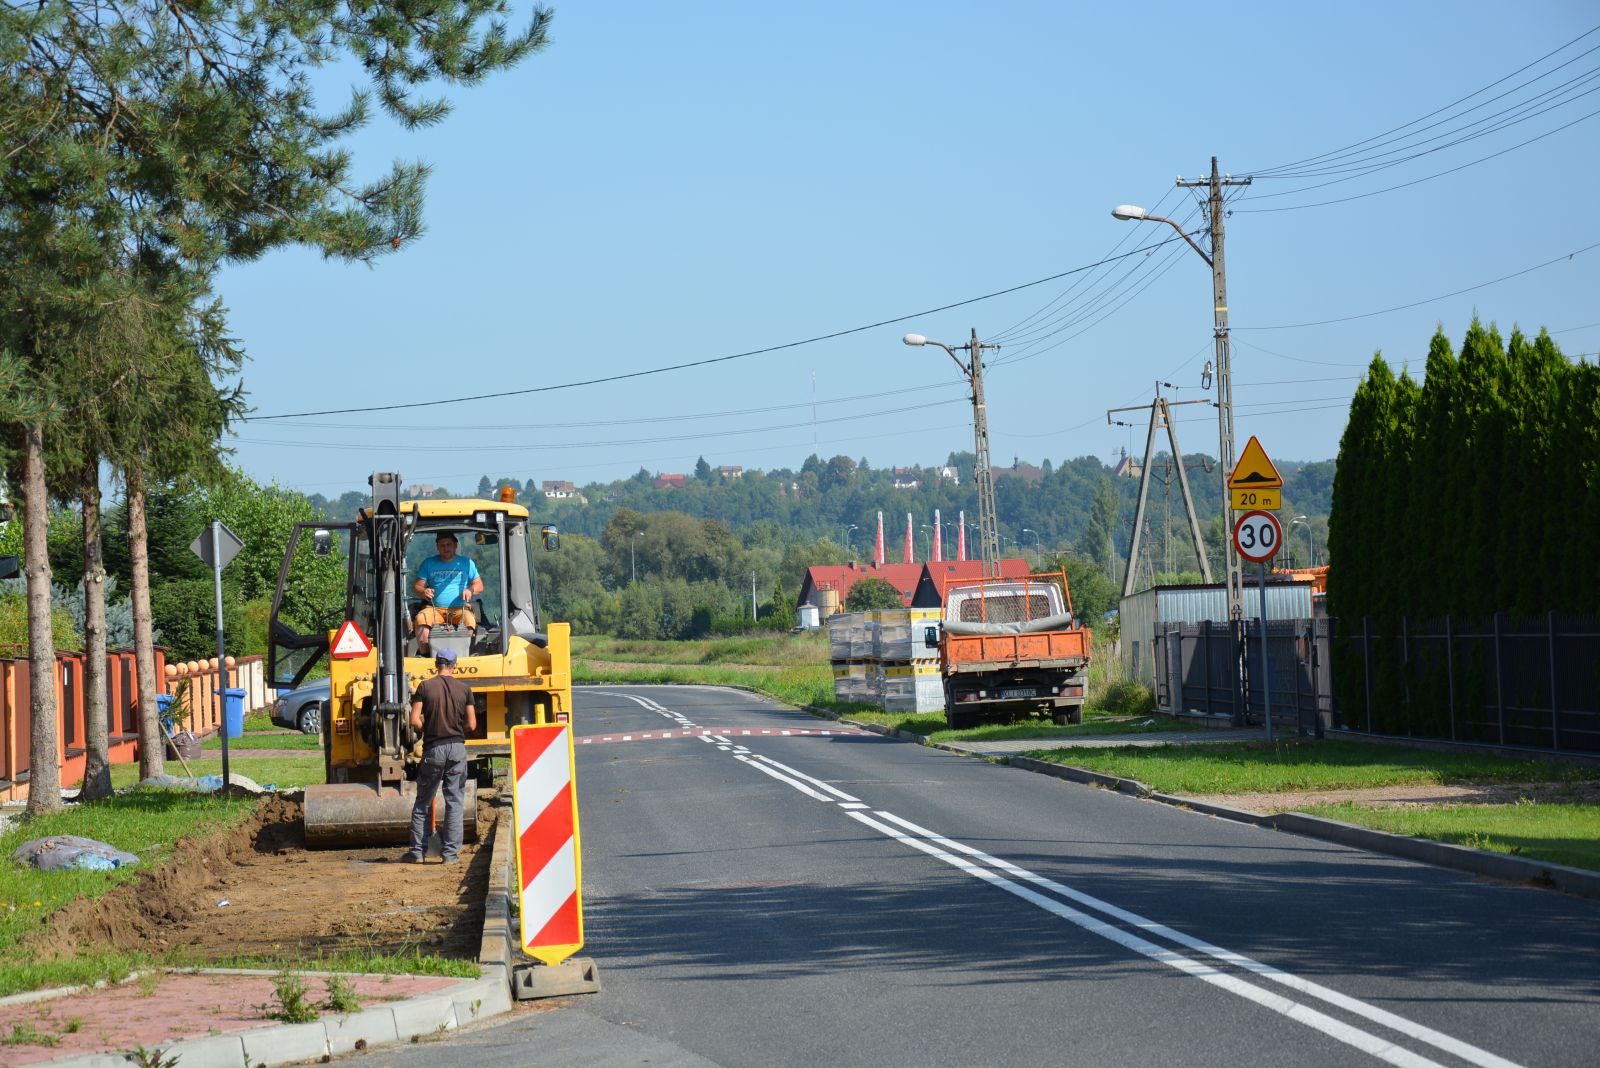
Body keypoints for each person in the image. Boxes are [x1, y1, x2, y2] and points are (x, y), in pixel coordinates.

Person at [401, 647, 476, 864]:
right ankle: (450, 855)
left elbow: (415, 720)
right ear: (455, 666)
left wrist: (430, 729)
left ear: (436, 664)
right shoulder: (464, 689)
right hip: (456, 749)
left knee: (424, 801)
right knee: (454, 801)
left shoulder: (425, 686)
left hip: (434, 750)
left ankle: (417, 852)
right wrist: (456, 729)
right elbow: (472, 723)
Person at [413, 532, 483, 656]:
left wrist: (470, 590)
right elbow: (417, 586)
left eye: (449, 544)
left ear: (455, 546)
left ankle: (462, 654)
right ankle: (426, 655)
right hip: (435, 609)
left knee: (469, 620)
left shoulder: (467, 563)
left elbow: (479, 585)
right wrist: (424, 591)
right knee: (421, 619)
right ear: (437, 547)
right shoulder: (428, 563)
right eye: (442, 545)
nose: (446, 548)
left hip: (459, 609)